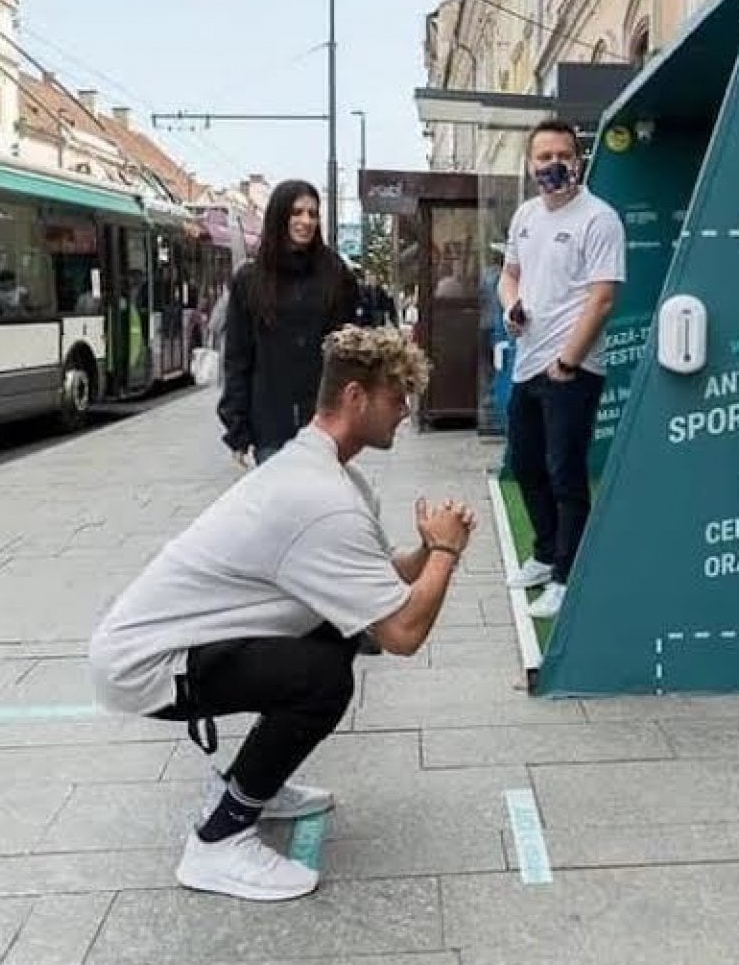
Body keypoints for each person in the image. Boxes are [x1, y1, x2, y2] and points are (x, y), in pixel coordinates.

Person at [89, 325, 474, 902]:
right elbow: (401, 633)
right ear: (354, 397)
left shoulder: (330, 472)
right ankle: (218, 840)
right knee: (321, 679)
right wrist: (445, 553)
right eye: (398, 398)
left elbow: (371, 581)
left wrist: (421, 551)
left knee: (335, 637)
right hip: (145, 666)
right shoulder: (321, 498)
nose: (405, 411)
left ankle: (253, 786)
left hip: (179, 646)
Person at [498, 118, 625, 619]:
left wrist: (568, 362)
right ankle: (546, 552)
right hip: (528, 364)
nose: (553, 165)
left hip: (572, 369)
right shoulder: (526, 215)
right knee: (526, 465)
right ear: (530, 166)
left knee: (565, 473)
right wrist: (511, 306)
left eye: (561, 156)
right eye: (543, 157)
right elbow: (511, 274)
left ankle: (567, 578)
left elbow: (603, 298)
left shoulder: (599, 218)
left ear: (578, 159)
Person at [218, 179, 360, 466]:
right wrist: (237, 429)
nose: (306, 221)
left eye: (312, 213)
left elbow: (349, 348)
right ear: (279, 216)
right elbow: (238, 358)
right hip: (270, 422)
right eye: (297, 213)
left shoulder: (334, 273)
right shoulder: (250, 280)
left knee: (323, 507)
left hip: (324, 421)